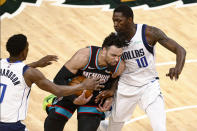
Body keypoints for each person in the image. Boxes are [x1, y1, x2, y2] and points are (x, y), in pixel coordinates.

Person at [96, 4, 186, 131]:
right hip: (126, 86)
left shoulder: (149, 33)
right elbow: (111, 69)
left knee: (160, 127)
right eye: (114, 21)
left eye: (119, 21)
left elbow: (180, 50)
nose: (115, 24)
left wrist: (178, 67)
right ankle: (105, 126)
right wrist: (112, 90)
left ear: (130, 20)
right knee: (113, 128)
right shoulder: (115, 40)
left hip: (149, 85)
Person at [0, 34, 104, 131]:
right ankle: (51, 102)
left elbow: (15, 69)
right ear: (24, 52)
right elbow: (57, 90)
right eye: (27, 48)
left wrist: (36, 64)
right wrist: (82, 85)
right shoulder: (31, 73)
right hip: (11, 125)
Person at [44, 33, 128, 131]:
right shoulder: (84, 56)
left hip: (94, 98)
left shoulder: (119, 66)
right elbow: (59, 79)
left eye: (119, 55)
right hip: (72, 92)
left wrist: (111, 95)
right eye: (113, 55)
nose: (117, 59)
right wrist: (74, 99)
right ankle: (54, 102)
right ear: (104, 50)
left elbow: (116, 80)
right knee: (54, 123)